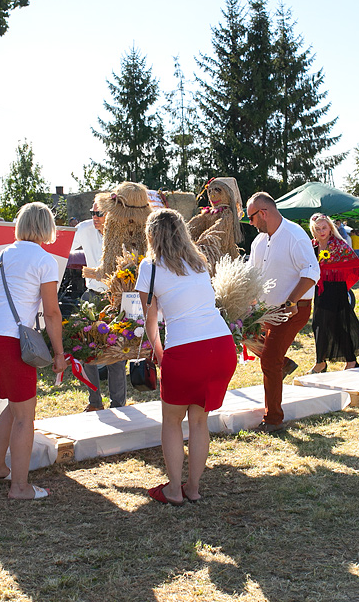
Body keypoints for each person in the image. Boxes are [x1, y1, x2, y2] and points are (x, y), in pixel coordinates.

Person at [135, 209, 236, 505]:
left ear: (151, 235)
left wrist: (159, 353)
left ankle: (174, 491)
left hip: (185, 349)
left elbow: (150, 321)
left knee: (171, 421)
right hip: (220, 345)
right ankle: (193, 488)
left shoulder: (150, 267)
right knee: (199, 422)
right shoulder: (198, 263)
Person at [0, 202, 66, 499]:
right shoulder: (45, 260)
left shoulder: (5, 253)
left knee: (17, 406)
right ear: (47, 228)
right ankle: (20, 487)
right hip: (12, 341)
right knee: (26, 414)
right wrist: (60, 353)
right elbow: (52, 313)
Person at [246, 192, 320, 432]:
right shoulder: (258, 242)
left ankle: (273, 419)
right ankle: (283, 364)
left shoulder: (295, 235)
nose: (250, 223)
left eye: (251, 218)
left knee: (268, 359)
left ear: (263, 213)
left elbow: (311, 272)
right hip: (266, 311)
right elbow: (252, 277)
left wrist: (291, 301)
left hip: (291, 311)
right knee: (245, 337)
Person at [71, 192, 127, 411]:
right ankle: (94, 402)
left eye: (99, 213)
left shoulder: (122, 232)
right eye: (92, 212)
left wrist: (95, 273)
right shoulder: (84, 229)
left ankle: (118, 405)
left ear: (110, 214)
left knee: (117, 354)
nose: (95, 217)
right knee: (85, 349)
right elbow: (61, 243)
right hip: (91, 296)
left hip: (116, 298)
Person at [309, 213, 359, 373]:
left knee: (335, 324)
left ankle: (346, 361)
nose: (322, 231)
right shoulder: (312, 245)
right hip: (321, 289)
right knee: (318, 324)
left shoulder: (338, 245)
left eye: (324, 228)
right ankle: (323, 361)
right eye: (318, 229)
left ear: (330, 228)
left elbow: (355, 262)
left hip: (336, 289)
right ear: (313, 230)